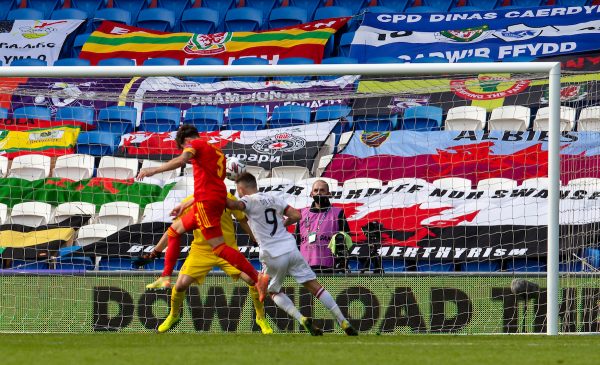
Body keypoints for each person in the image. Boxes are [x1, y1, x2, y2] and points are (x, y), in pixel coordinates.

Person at [136, 125, 267, 302]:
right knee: (174, 230)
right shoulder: (216, 151)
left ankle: (258, 278)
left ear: (186, 142)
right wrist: (187, 204)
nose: (186, 151)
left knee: (219, 248)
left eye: (184, 147)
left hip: (207, 204)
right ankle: (165, 277)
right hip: (208, 199)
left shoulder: (194, 145)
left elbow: (182, 160)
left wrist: (151, 170)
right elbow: (209, 182)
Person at [227, 172, 359, 336]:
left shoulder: (247, 200)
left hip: (272, 254)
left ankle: (302, 319)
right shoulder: (273, 198)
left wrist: (214, 187)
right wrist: (284, 223)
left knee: (273, 291)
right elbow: (296, 215)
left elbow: (233, 205)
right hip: (291, 248)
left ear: (240, 189)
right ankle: (343, 321)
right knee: (315, 286)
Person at [138, 193, 273, 334]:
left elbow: (243, 220)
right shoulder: (188, 203)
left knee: (252, 280)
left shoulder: (227, 198)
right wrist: (155, 252)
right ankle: (174, 315)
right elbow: (173, 230)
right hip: (200, 251)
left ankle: (260, 318)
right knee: (180, 284)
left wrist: (255, 238)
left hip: (227, 249)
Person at [296, 180, 352, 273]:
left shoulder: (338, 213)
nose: (318, 193)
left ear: (329, 194)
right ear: (311, 194)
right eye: (316, 190)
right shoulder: (302, 213)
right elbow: (297, 242)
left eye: (322, 190)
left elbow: (347, 240)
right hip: (304, 267)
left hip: (329, 267)